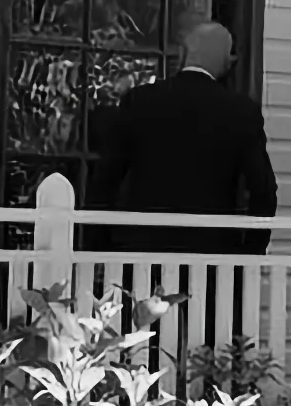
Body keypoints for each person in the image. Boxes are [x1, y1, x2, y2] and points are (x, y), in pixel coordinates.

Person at [93, 21, 279, 256]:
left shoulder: (139, 101)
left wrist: (100, 248)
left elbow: (105, 181)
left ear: (183, 53)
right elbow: (264, 192)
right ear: (227, 62)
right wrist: (248, 255)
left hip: (143, 254)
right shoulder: (241, 112)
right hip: (213, 259)